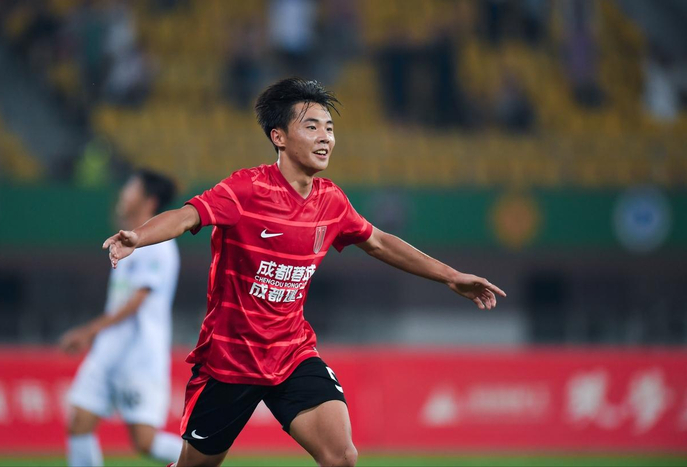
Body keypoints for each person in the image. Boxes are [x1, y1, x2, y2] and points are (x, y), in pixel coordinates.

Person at [103, 78, 506, 467]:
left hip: (291, 353)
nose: (325, 137)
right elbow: (186, 215)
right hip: (230, 360)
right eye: (311, 126)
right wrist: (138, 236)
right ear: (278, 136)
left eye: (329, 128)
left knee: (341, 456)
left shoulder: (331, 201)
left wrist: (451, 276)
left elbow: (380, 243)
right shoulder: (245, 189)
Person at [61, 169, 182, 467]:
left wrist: (89, 331)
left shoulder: (160, 246)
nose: (123, 194)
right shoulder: (127, 240)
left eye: (131, 189)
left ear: (149, 201)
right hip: (108, 351)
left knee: (145, 443)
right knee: (78, 422)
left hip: (140, 357)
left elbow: (135, 304)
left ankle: (203, 460)